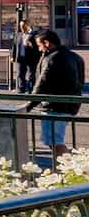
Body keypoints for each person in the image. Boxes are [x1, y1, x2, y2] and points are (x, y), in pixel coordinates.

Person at [28, 29, 83, 159]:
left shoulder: (52, 58)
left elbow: (42, 83)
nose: (39, 49)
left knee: (54, 141)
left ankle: (70, 166)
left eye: (39, 45)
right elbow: (80, 81)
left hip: (54, 106)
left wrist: (29, 105)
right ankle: (69, 165)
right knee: (53, 140)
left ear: (47, 43)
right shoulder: (75, 56)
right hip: (69, 104)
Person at [18, 27, 42, 93]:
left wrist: (31, 44)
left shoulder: (34, 35)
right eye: (21, 26)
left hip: (31, 58)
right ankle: (21, 88)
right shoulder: (19, 35)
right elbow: (15, 45)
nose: (22, 28)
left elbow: (37, 45)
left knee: (31, 74)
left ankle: (30, 89)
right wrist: (13, 56)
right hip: (21, 57)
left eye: (24, 26)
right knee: (20, 74)